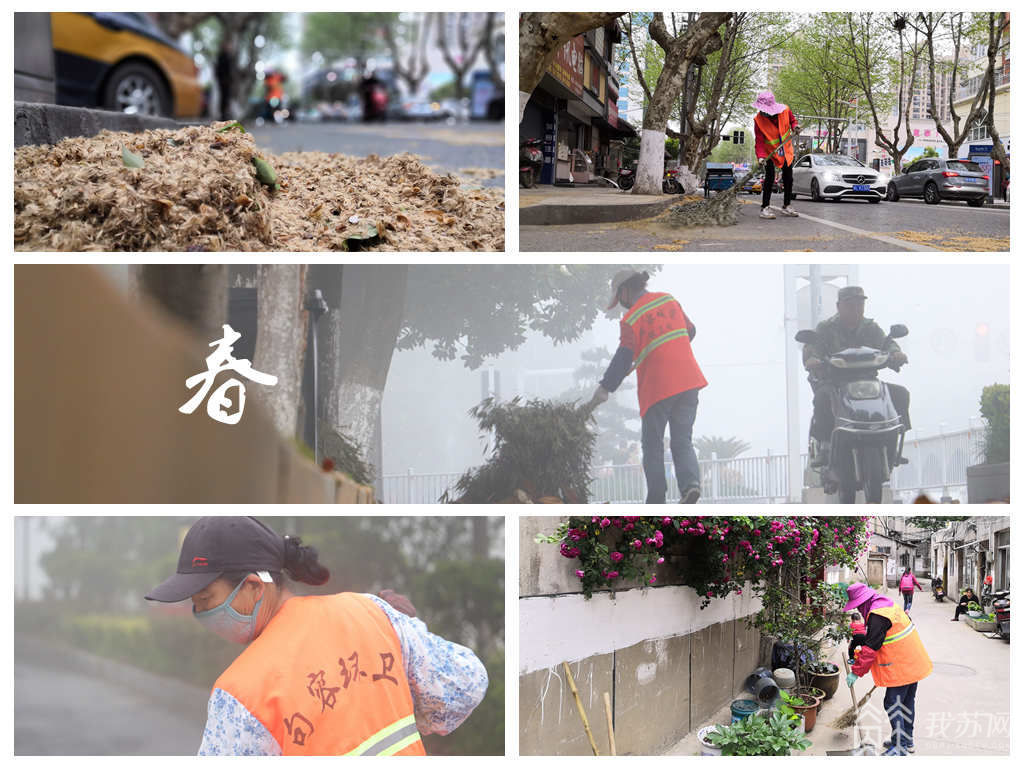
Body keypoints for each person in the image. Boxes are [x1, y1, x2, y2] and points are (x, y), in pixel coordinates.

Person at [145, 517, 487, 755]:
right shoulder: (372, 611)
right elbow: (466, 684)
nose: (200, 613)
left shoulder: (239, 694)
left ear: (252, 586)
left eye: (205, 599)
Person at [590, 269, 707, 504]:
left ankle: (656, 500)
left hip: (658, 387)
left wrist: (605, 387)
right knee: (682, 440)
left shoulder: (631, 319)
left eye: (620, 299)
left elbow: (624, 357)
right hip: (688, 380)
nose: (621, 305)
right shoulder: (668, 299)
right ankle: (690, 486)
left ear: (624, 291)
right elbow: (690, 330)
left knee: (652, 445)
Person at [801, 285, 911, 467]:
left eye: (859, 305)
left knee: (901, 394)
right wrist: (812, 360)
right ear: (839, 306)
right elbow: (813, 349)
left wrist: (896, 354)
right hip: (836, 383)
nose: (855, 309)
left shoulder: (871, 327)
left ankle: (894, 441)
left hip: (869, 382)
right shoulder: (826, 328)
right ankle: (826, 446)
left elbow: (887, 344)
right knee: (822, 399)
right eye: (850, 305)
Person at [844, 583, 932, 756]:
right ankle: (906, 741)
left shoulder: (877, 615)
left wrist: (856, 672)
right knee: (906, 701)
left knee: (892, 702)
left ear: (863, 602)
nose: (859, 611)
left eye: (858, 606)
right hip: (913, 661)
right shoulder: (886, 604)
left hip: (903, 665)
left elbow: (871, 648)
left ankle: (900, 748)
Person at [752, 90, 800, 220]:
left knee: (788, 178)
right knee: (769, 178)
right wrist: (761, 157)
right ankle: (765, 207)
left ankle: (787, 205)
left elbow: (793, 121)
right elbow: (760, 141)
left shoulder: (785, 110)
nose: (764, 113)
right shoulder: (758, 120)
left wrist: (795, 127)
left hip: (785, 150)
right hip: (769, 153)